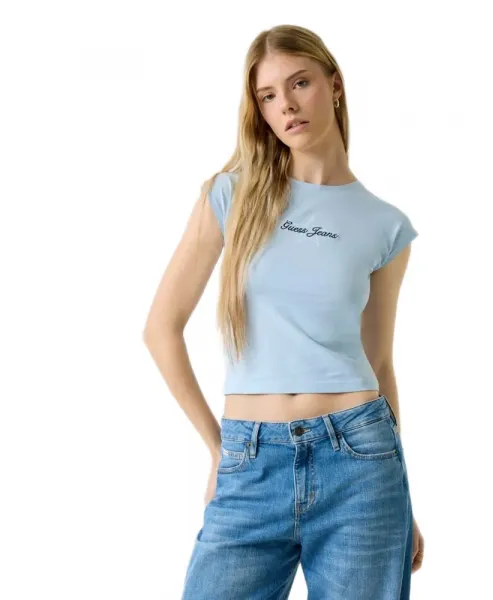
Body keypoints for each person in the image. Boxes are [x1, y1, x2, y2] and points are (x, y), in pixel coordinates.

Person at [143, 23, 424, 600]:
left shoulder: (385, 225)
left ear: (334, 85)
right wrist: (220, 449)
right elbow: (160, 329)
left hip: (362, 464)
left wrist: (404, 500)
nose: (287, 105)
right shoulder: (231, 195)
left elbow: (379, 362)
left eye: (299, 83)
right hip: (250, 459)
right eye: (268, 95)